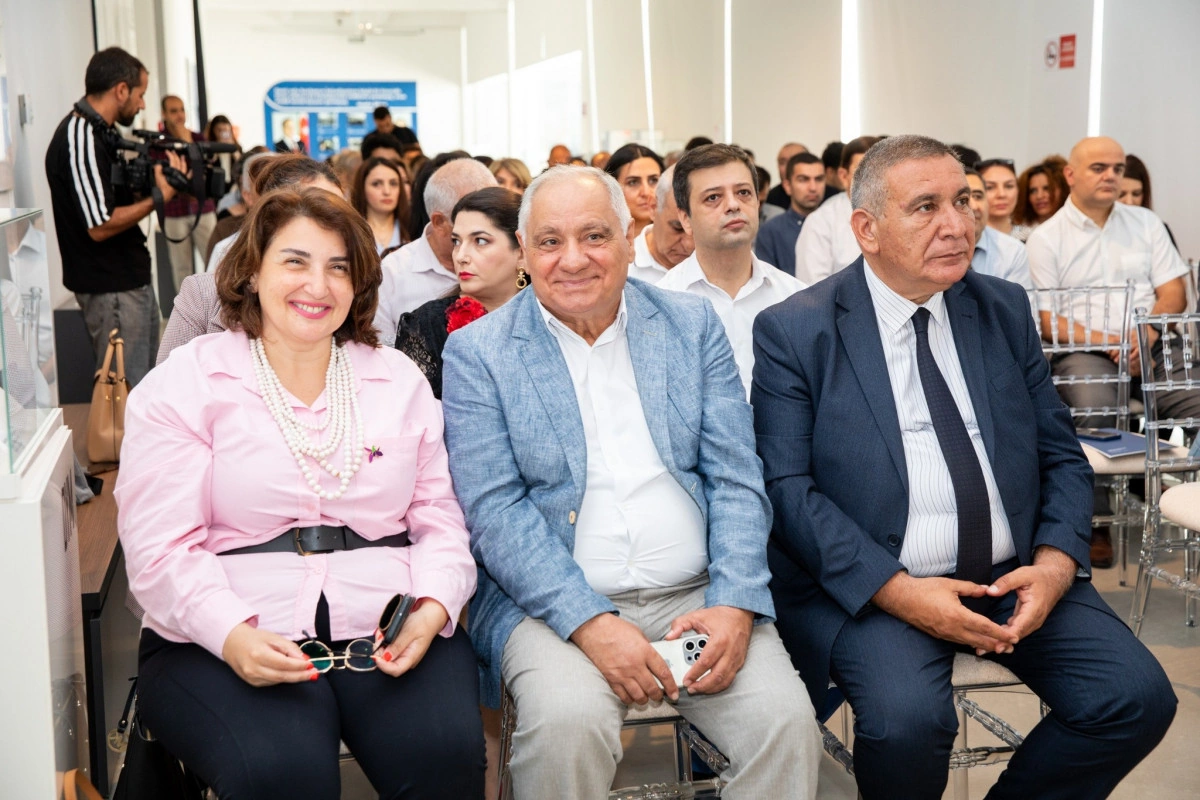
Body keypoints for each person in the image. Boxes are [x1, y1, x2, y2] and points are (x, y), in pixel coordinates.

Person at [753, 134, 1176, 800]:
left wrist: (1054, 565)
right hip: (881, 583)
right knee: (907, 725)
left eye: (962, 202)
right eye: (926, 207)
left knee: (1135, 698)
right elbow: (786, 490)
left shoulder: (1000, 308)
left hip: (1014, 574)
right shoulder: (798, 329)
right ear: (866, 229)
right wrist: (897, 591)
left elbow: (1059, 452)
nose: (957, 225)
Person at [441, 165, 819, 800]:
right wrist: (588, 621)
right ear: (525, 251)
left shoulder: (691, 325)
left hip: (698, 593)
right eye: (550, 241)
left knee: (784, 727)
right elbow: (495, 511)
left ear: (627, 238)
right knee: (566, 726)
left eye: (594, 236)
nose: (573, 259)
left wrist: (734, 602)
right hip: (551, 607)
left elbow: (736, 476)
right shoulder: (480, 352)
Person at [116, 186, 483, 799]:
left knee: (444, 756)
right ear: (251, 271)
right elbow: (159, 549)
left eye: (338, 267)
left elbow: (440, 517)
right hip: (221, 631)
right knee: (281, 772)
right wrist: (230, 633)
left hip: (388, 623)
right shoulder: (189, 382)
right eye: (295, 261)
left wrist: (434, 606)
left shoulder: (396, 379)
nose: (318, 285)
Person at [1027, 136, 1199, 567]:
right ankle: (1094, 521)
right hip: (1086, 351)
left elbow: (1173, 292)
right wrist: (1113, 342)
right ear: (1070, 175)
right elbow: (1047, 319)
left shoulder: (1145, 223)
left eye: (1117, 168)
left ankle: (1194, 514)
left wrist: (1146, 334)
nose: (1111, 176)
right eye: (1099, 167)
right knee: (1092, 407)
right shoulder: (1046, 238)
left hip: (1152, 345)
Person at [44, 46, 185, 387]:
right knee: (125, 395)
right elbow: (99, 224)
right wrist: (159, 197)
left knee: (145, 389)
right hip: (111, 288)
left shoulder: (104, 134)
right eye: (140, 95)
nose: (142, 105)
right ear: (121, 90)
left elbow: (110, 199)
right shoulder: (80, 136)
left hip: (129, 281)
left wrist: (154, 185)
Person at [161, 155, 344, 364]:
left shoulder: (352, 292)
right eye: (313, 208)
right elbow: (167, 379)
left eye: (341, 212)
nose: (329, 222)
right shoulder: (203, 297)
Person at [659, 144, 804, 397]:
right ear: (685, 219)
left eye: (743, 193)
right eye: (713, 197)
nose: (733, 205)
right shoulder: (663, 303)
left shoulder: (796, 299)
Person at [396, 187, 523, 399]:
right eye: (456, 241)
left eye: (480, 241)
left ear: (521, 252)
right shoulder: (427, 325)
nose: (461, 256)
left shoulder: (551, 317)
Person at [374, 157, 497, 342]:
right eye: (476, 217)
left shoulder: (507, 263)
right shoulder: (393, 274)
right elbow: (380, 350)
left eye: (494, 213)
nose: (491, 226)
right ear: (439, 222)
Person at [793, 135, 880, 287]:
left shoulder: (900, 214)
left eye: (879, 171)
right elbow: (814, 289)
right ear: (843, 176)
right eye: (862, 172)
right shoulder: (820, 222)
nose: (873, 179)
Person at [756, 152, 825, 276]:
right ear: (787, 186)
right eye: (803, 180)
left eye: (819, 179)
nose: (813, 187)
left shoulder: (839, 224)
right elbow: (767, 281)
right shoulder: (771, 231)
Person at [965, 168, 1031, 288]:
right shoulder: (932, 251)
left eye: (978, 196)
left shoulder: (1013, 251)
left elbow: (1015, 300)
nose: (973, 206)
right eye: (963, 200)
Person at [204, 151, 273, 264]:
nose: (276, 193)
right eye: (265, 186)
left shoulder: (297, 228)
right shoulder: (225, 231)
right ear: (248, 196)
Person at [629, 164, 693, 284]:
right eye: (678, 228)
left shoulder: (718, 264)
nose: (689, 244)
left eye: (698, 232)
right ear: (653, 207)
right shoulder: (622, 269)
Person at [351, 156, 411, 255]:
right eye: (377, 184)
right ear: (362, 188)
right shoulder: (351, 232)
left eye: (393, 183)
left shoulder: (413, 229)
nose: (387, 191)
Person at [603, 143, 665, 239]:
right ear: (612, 188)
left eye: (653, 180)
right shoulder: (601, 241)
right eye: (633, 182)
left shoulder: (682, 240)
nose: (646, 192)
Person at [1121, 154, 1179, 249]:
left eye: (1136, 194)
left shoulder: (1158, 229)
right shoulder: (1100, 232)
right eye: (1121, 194)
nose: (1129, 202)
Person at [978, 158, 1031, 241]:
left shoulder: (1032, 237)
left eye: (1009, 186)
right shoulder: (970, 238)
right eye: (990, 187)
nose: (1001, 194)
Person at [1013, 157, 1068, 232]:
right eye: (1033, 191)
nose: (1039, 196)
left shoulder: (1074, 226)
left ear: (1063, 190)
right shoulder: (1019, 231)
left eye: (1047, 189)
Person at [764, 142, 807, 210]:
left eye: (795, 161)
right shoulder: (769, 199)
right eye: (783, 162)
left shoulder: (824, 196)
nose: (788, 167)